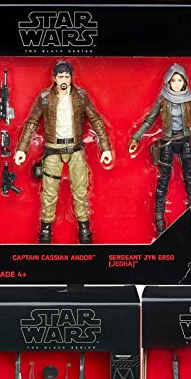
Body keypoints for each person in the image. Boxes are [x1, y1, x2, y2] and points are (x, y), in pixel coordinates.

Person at [14, 60, 113, 244]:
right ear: (54, 78)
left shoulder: (81, 96)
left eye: (67, 76)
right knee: (49, 193)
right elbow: (32, 122)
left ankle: (84, 231)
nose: (64, 79)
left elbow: (96, 120)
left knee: (80, 192)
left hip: (76, 149)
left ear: (71, 77)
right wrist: (22, 148)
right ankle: (45, 232)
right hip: (53, 149)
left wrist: (105, 148)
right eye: (60, 76)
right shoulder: (45, 97)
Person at [128, 63, 191, 235]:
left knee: (190, 180)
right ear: (168, 81)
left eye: (180, 80)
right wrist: (136, 138)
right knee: (163, 180)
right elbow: (149, 119)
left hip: (185, 142)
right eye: (173, 80)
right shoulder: (163, 98)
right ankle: (159, 220)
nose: (177, 84)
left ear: (185, 82)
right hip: (167, 143)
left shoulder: (189, 99)